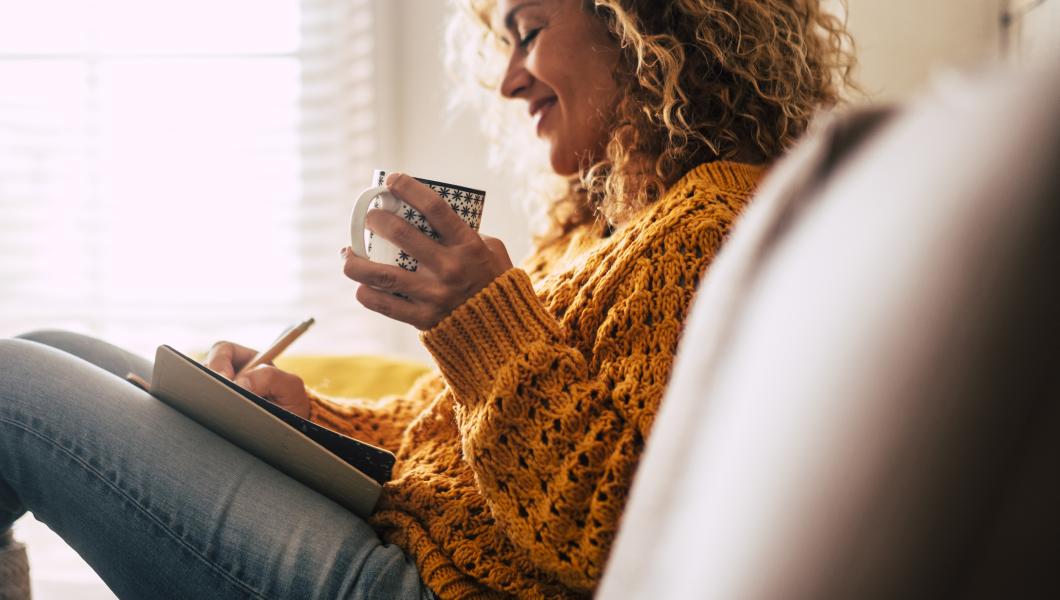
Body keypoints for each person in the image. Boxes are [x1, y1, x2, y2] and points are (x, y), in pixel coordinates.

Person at [0, 0, 855, 597]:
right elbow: (441, 441)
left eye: (528, 32)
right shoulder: (605, 225)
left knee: (10, 388)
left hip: (434, 585)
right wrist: (306, 418)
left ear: (644, 23)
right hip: (417, 537)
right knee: (51, 346)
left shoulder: (709, 227)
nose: (510, 81)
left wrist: (482, 324)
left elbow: (615, 538)